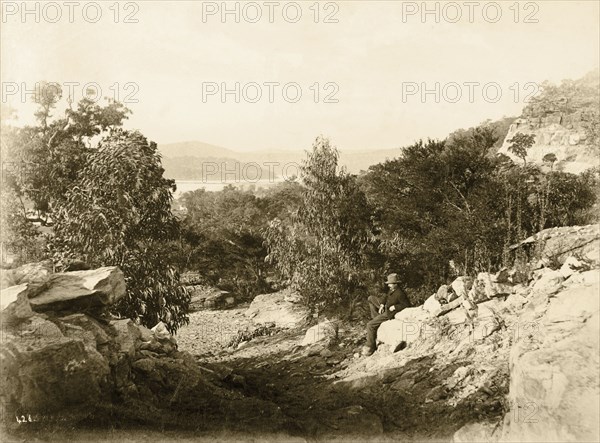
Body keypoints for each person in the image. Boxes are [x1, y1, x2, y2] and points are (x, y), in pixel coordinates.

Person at [362, 273, 411, 356]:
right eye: (388, 284)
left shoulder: (400, 293)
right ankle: (376, 318)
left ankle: (370, 347)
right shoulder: (392, 290)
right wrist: (381, 305)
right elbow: (385, 297)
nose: (388, 286)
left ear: (396, 284)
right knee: (371, 298)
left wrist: (395, 307)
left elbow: (406, 305)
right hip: (385, 308)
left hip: (388, 313)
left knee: (370, 325)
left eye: (390, 284)